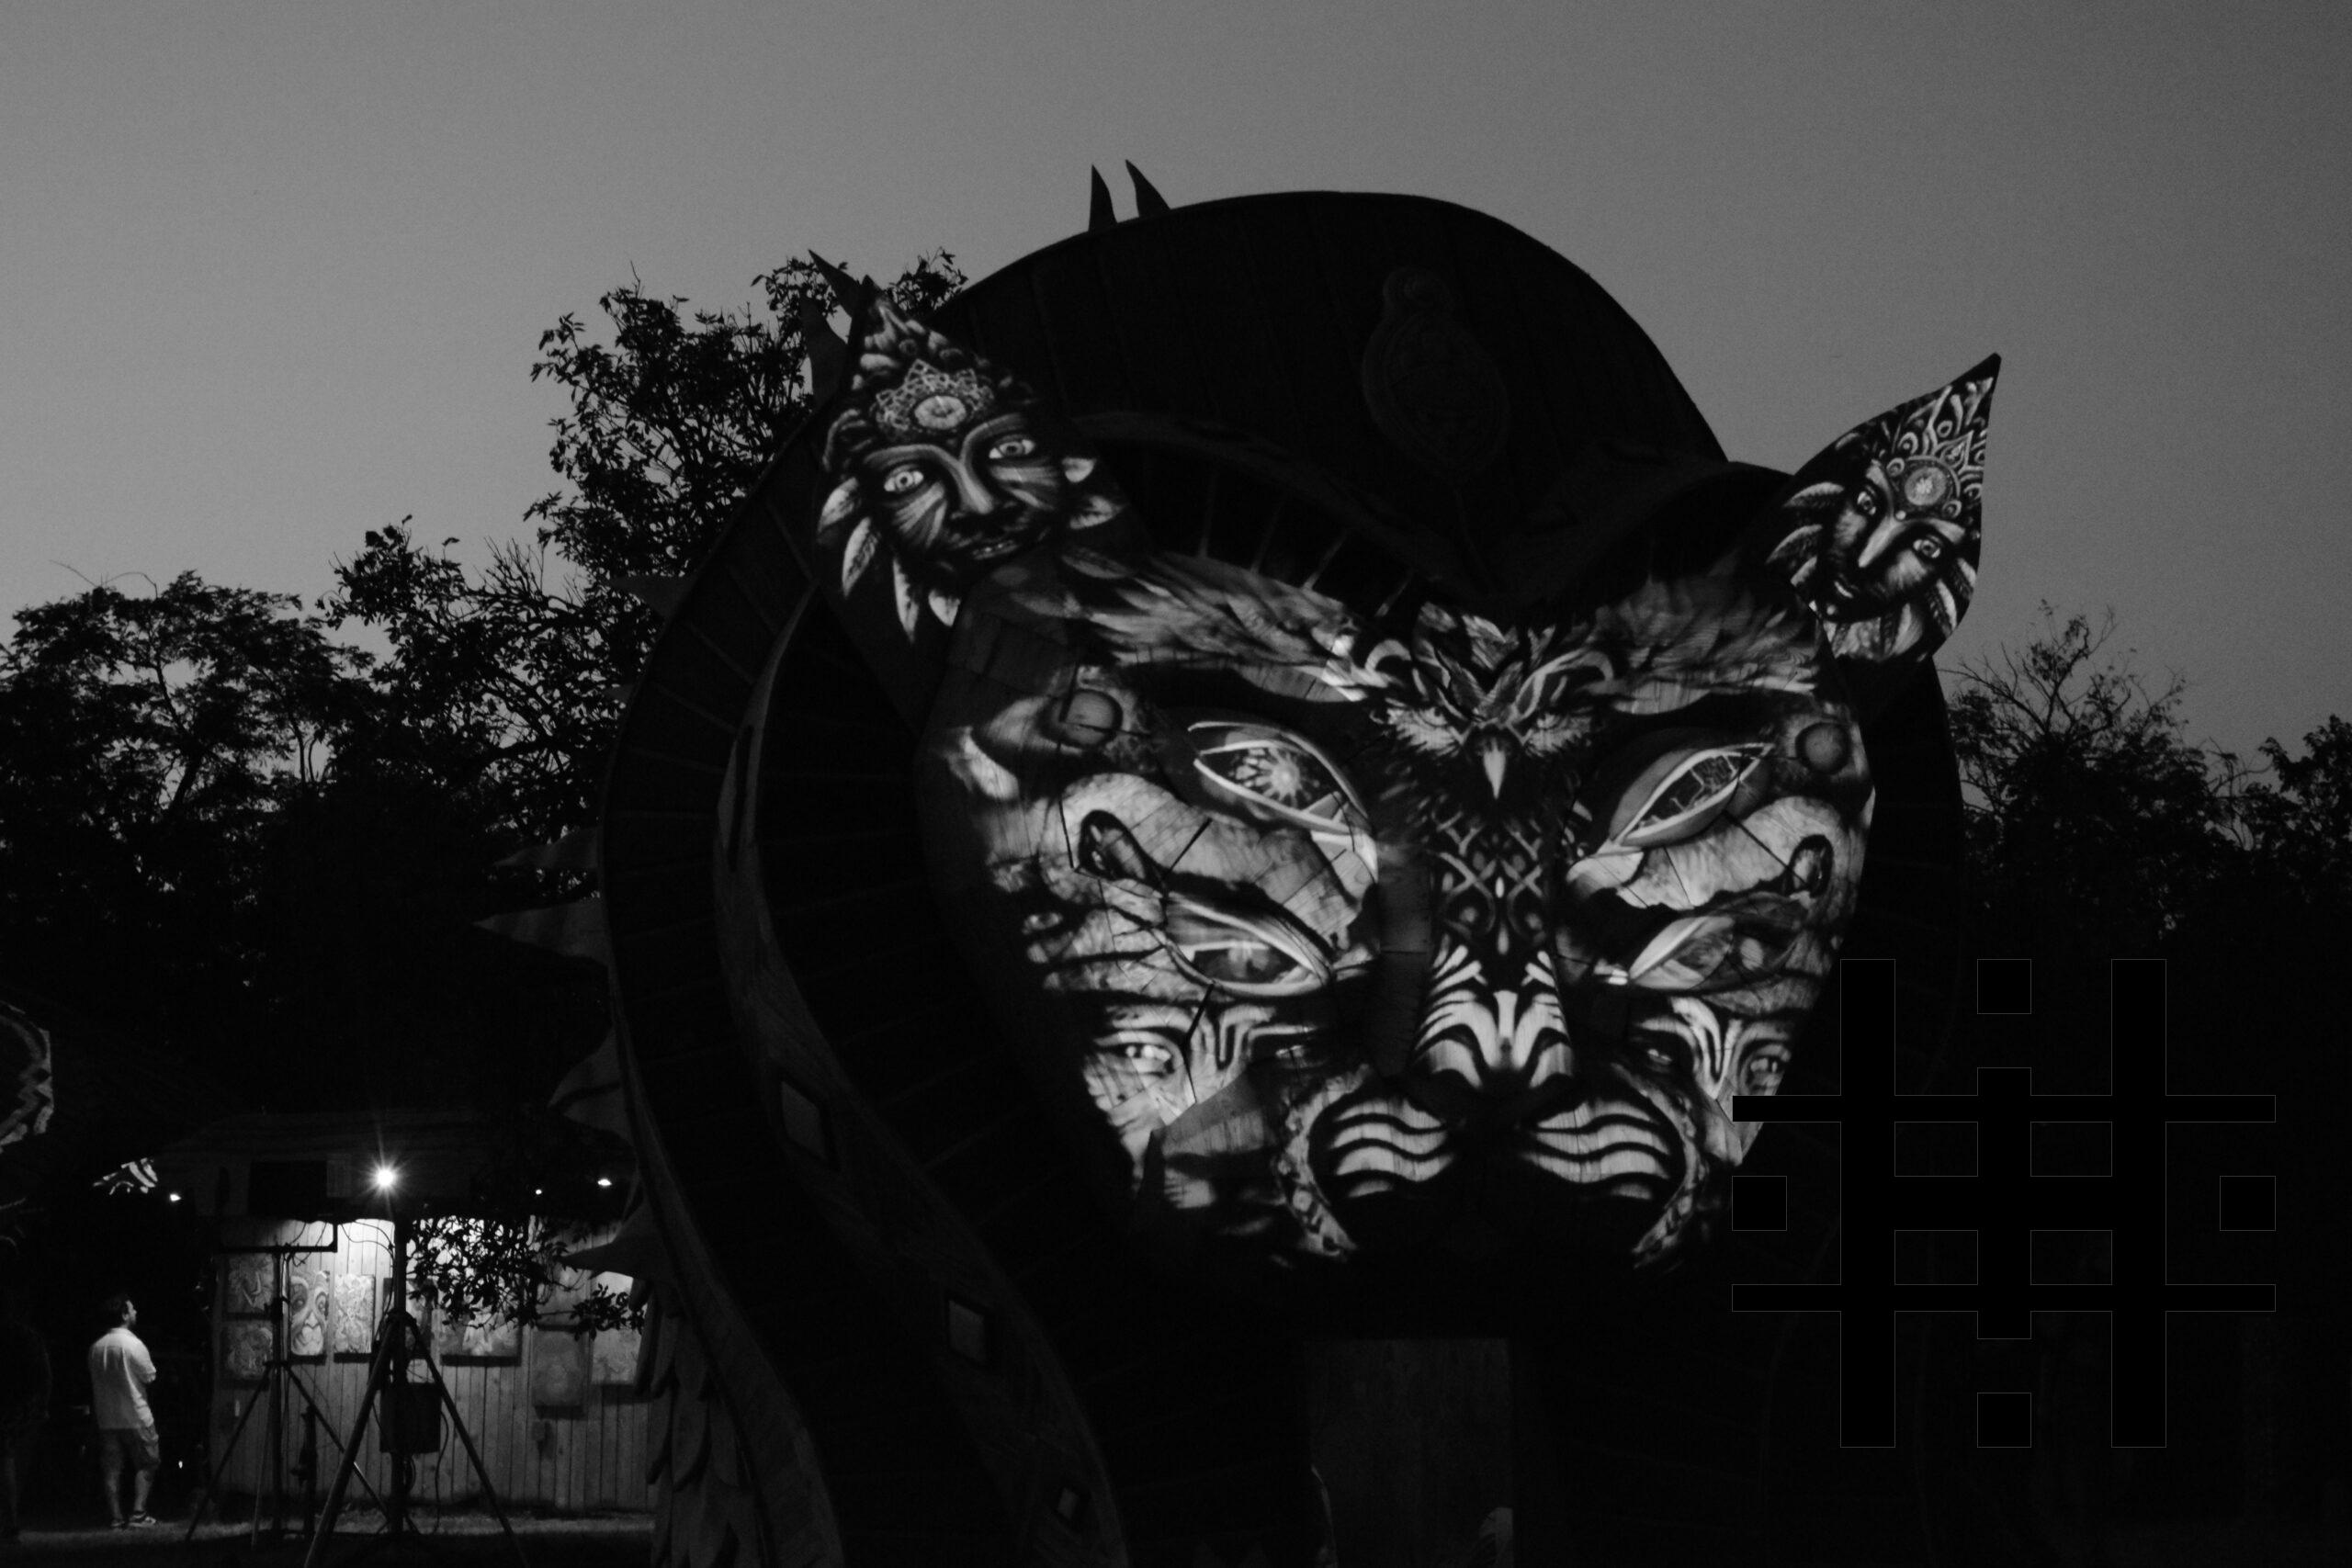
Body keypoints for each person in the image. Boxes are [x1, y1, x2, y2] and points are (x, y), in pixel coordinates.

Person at [85, 1295, 157, 1529]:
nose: (135, 1312)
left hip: (106, 1417)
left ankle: (116, 1517)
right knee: (147, 1462)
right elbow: (149, 1376)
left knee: (112, 1469)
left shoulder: (96, 1348)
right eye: (132, 1309)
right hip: (135, 1415)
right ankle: (138, 1512)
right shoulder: (133, 1345)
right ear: (124, 1315)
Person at [0, 1285, 49, 1543]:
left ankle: (10, 1521)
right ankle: (10, 1521)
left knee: (7, 1459)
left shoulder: (22, 1336)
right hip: (18, 1406)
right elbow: (43, 1373)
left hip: (14, 1406)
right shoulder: (25, 1336)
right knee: (10, 1461)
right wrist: (40, 1404)